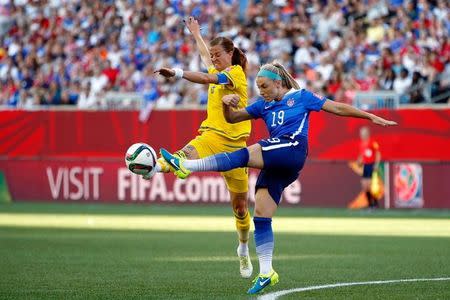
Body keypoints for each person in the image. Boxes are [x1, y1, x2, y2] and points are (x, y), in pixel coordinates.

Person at [158, 62, 397, 294]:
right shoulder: (264, 105)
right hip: (280, 163)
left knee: (243, 155)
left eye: (263, 86)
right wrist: (225, 105)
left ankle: (186, 165)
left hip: (292, 148)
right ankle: (266, 272)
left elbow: (337, 107)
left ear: (278, 83)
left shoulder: (302, 97)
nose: (260, 92)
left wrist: (369, 116)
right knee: (261, 214)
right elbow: (232, 118)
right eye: (258, 87)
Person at [152, 17, 254, 278]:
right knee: (178, 158)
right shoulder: (219, 69)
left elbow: (207, 77)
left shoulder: (235, 74)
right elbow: (204, 58)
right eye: (212, 55)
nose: (214, 58)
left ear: (230, 54)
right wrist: (197, 33)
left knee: (241, 208)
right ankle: (150, 167)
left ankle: (243, 249)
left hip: (235, 148)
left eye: (218, 55)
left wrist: (177, 73)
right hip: (210, 137)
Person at [357, 126, 381, 208]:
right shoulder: (361, 144)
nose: (361, 135)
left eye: (362, 133)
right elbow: (361, 155)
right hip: (365, 166)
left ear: (367, 133)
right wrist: (359, 160)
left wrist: (377, 164)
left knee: (369, 185)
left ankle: (374, 203)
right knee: (364, 186)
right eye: (360, 133)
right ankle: (370, 204)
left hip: (371, 165)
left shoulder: (373, 142)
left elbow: (378, 153)